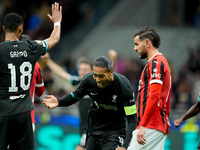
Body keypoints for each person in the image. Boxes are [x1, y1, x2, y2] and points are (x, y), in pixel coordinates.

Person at [0, 2, 62, 150]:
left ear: (3, 28)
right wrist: (57, 22)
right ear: (20, 29)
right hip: (25, 114)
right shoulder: (31, 47)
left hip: (3, 112)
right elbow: (54, 39)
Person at [43, 56, 137, 150]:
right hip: (94, 131)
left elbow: (132, 120)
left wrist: (125, 146)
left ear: (110, 72)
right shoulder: (88, 80)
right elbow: (74, 96)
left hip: (115, 132)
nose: (97, 80)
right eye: (95, 75)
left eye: (101, 76)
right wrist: (59, 102)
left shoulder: (124, 86)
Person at [128, 27, 172, 150]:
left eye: (137, 44)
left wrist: (143, 125)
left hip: (152, 124)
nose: (134, 48)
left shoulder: (156, 63)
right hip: (154, 124)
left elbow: (154, 95)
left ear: (147, 43)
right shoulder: (156, 62)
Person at [20, 34, 45, 132]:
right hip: (28, 116)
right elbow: (40, 92)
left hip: (8, 114)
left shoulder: (6, 63)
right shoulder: (36, 66)